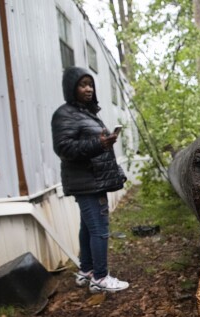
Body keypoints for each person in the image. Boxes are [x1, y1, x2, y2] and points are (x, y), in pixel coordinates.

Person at [51, 66, 129, 293]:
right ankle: (100, 278)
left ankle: (86, 271)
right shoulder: (64, 114)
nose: (88, 89)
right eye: (83, 84)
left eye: (90, 84)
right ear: (71, 88)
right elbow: (64, 148)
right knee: (100, 229)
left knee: (87, 228)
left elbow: (94, 145)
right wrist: (99, 143)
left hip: (94, 179)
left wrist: (106, 145)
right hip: (87, 181)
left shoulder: (86, 113)